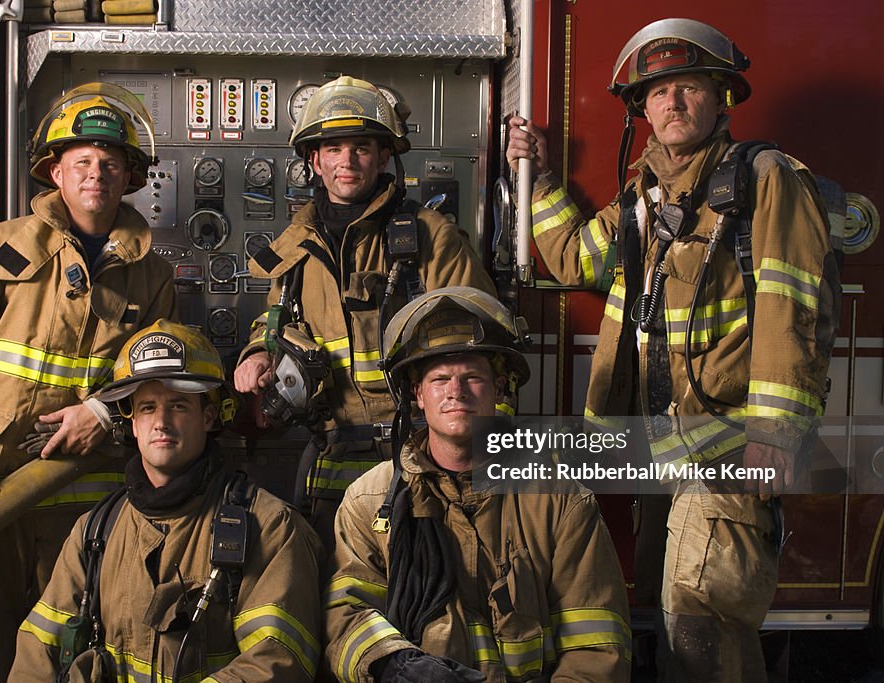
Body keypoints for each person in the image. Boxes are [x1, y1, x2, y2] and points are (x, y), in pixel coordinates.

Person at [506, 18, 840, 681]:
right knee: (669, 613)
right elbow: (577, 258)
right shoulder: (647, 197)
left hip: (726, 446)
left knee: (702, 615)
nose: (674, 103)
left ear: (722, 99)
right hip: (661, 449)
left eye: (689, 88)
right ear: (643, 110)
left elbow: (794, 309)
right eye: (658, 93)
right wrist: (540, 181)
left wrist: (773, 433)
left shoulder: (766, 179)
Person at [0, 82, 178, 681]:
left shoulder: (151, 276)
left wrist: (105, 414)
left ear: (130, 175)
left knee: (77, 639)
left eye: (110, 163)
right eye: (81, 161)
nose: (95, 174)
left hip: (87, 499)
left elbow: (160, 371)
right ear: (55, 171)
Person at [234, 76, 496, 549]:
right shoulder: (295, 249)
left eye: (361, 147)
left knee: (425, 579)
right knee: (337, 588)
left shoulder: (429, 236)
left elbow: (477, 341)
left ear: (383, 156)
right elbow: (274, 320)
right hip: (331, 453)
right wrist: (258, 353)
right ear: (314, 160)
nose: (347, 161)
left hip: (420, 450)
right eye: (333, 148)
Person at [323, 287, 632, 682]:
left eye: (473, 377)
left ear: (500, 388)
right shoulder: (370, 501)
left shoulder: (558, 500)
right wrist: (393, 665)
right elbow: (344, 613)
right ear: (417, 394)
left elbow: (597, 645)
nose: (456, 391)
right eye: (439, 379)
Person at [9, 320, 325, 682]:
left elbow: (276, 664)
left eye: (178, 405)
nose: (160, 422)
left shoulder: (269, 527)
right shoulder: (96, 532)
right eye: (146, 407)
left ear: (208, 417)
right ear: (132, 424)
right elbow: (38, 654)